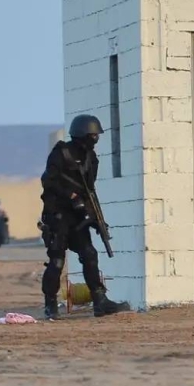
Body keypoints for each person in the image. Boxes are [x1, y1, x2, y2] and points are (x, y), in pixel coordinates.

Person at [39, 114, 129, 320]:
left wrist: (95, 218)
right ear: (82, 135)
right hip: (58, 215)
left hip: (77, 216)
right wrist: (70, 196)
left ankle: (99, 301)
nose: (96, 139)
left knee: (89, 255)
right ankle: (50, 304)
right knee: (57, 261)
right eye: (93, 135)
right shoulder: (60, 153)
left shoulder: (91, 159)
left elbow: (89, 191)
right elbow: (48, 182)